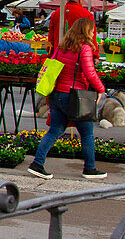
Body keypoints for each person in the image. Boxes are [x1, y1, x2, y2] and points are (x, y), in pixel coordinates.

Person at [27, 16, 108, 180]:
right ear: (86, 32)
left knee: (55, 130)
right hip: (75, 97)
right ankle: (89, 168)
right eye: (92, 31)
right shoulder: (84, 49)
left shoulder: (62, 47)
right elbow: (89, 72)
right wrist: (101, 88)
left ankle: (37, 163)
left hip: (57, 94)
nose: (93, 34)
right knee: (87, 133)